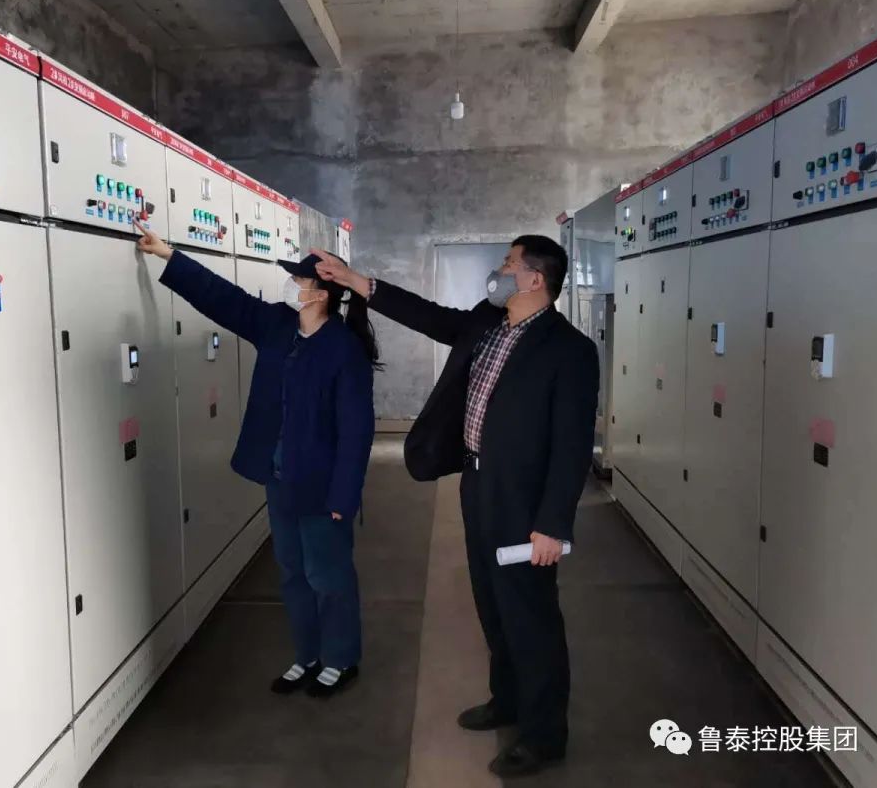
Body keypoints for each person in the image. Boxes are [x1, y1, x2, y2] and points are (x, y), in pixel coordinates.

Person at [313, 236, 598, 776]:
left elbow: (572, 446)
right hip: (477, 484)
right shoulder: (488, 323)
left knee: (530, 616)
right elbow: (428, 316)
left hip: (524, 500)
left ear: (535, 279)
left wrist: (552, 524)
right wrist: (356, 282)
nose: (500, 270)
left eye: (509, 263)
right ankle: (506, 699)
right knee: (491, 602)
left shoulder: (570, 350)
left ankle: (544, 735)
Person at [134, 220, 378, 697]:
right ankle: (307, 655)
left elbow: (357, 432)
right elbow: (222, 298)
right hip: (279, 476)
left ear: (321, 294)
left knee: (327, 576)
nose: (291, 284)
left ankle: (340, 658)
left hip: (322, 485)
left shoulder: (344, 351)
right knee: (292, 573)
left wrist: (344, 497)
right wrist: (169, 255)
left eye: (298, 279)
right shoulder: (277, 326)